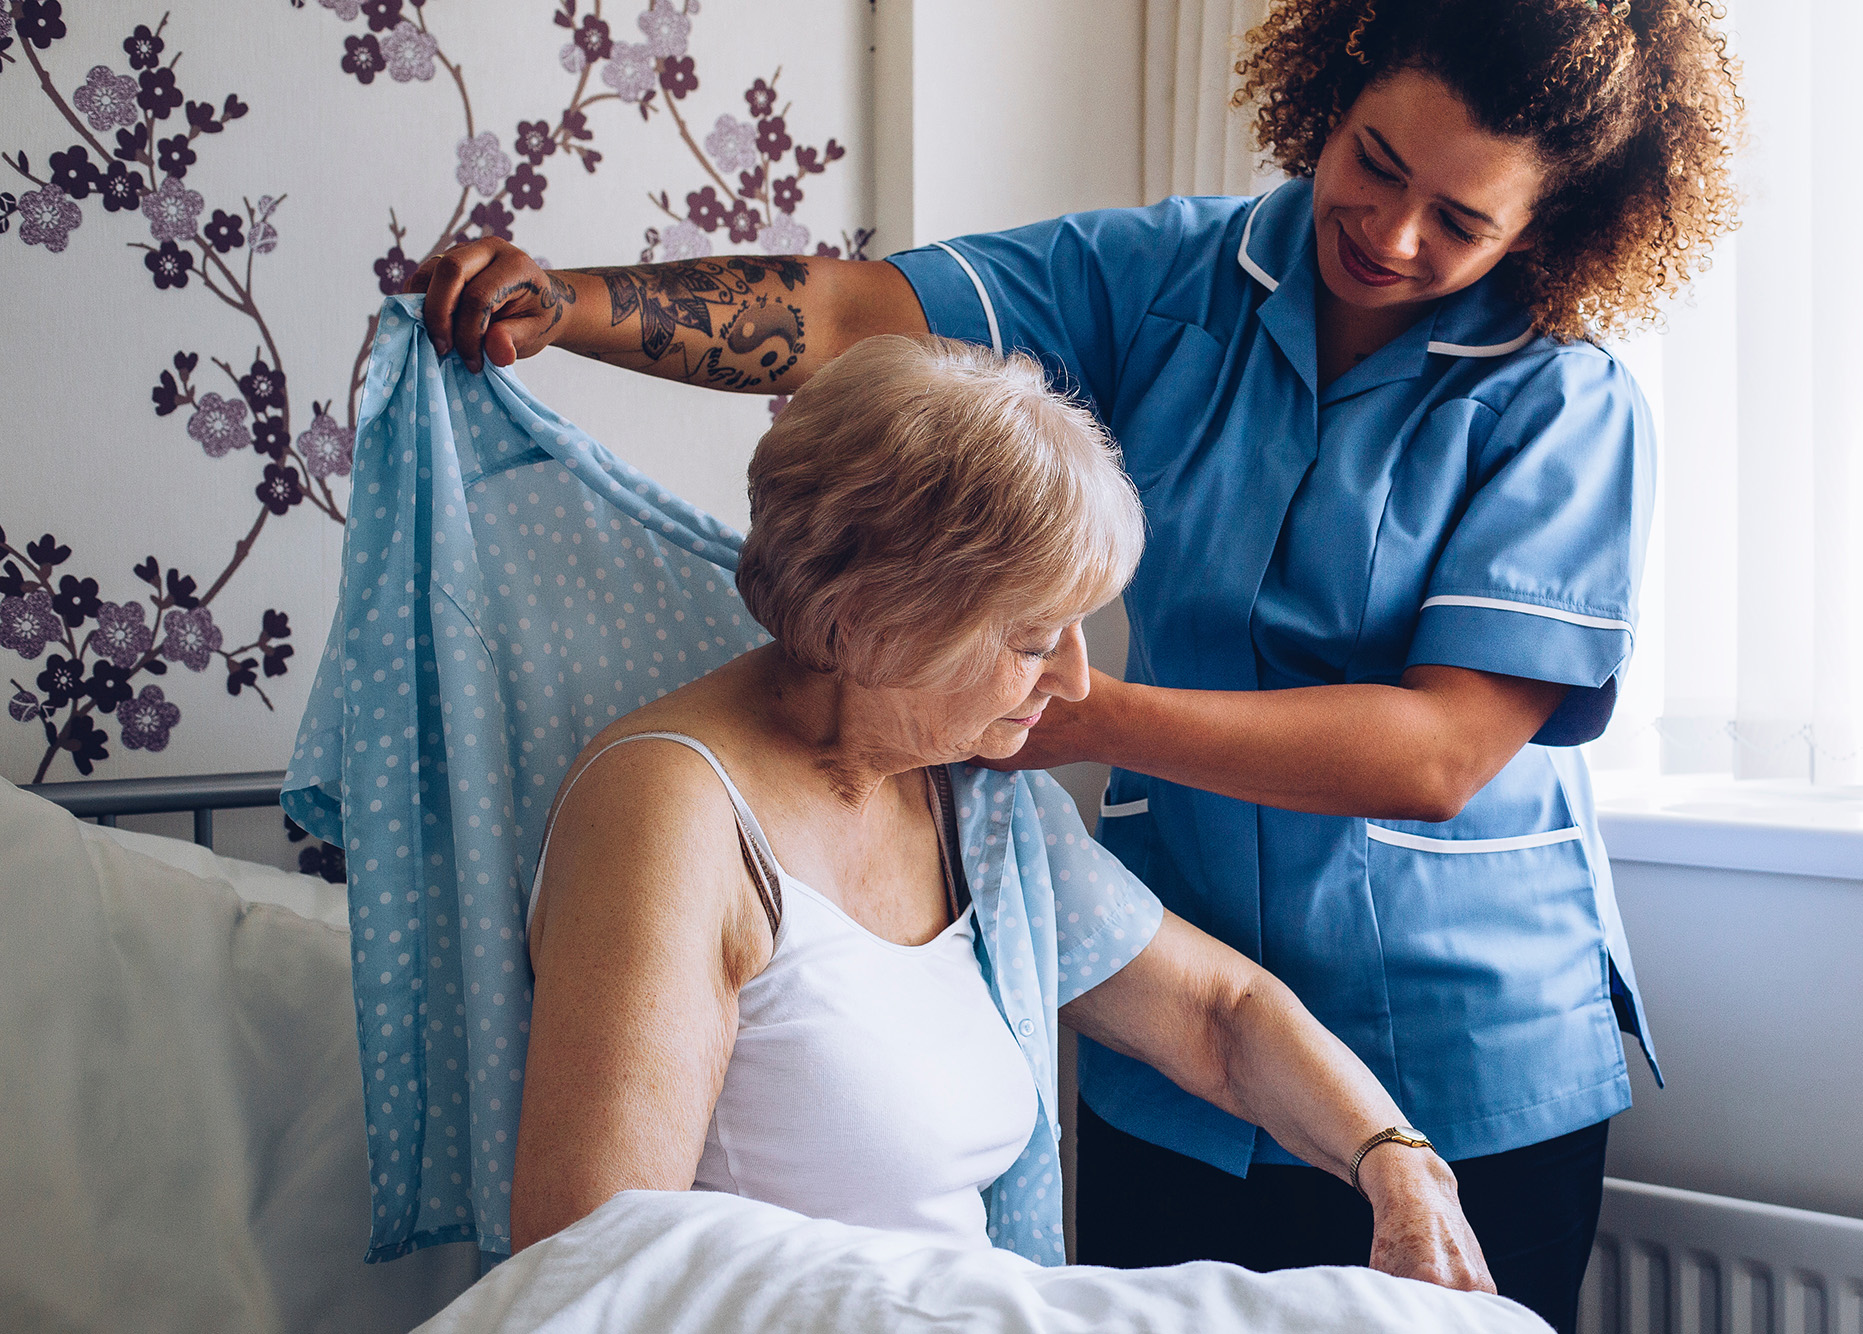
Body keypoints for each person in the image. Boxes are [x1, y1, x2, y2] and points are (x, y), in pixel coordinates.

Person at [415, 0, 1739, 1325]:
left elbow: (1439, 753)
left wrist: (1053, 707)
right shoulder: (1165, 278)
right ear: (1335, 91)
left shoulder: (1563, 400)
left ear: (1547, 227)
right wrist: (568, 306)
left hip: (1466, 1048)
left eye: (1460, 219)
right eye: (1375, 162)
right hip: (1180, 1050)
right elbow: (857, 315)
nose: (1394, 234)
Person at [511, 333, 1492, 1296]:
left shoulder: (971, 796)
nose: (1074, 680)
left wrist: (1396, 1160)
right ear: (868, 617)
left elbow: (1218, 1014)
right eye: (1032, 640)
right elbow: (590, 1269)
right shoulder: (671, 814)